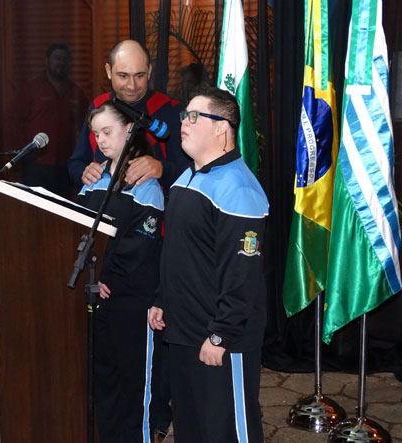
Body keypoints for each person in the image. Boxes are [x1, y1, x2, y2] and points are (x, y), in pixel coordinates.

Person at [148, 86, 269, 443]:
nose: (183, 123)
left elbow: (242, 275)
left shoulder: (239, 188)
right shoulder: (187, 177)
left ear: (222, 127)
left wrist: (221, 334)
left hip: (220, 340)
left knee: (227, 431)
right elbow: (178, 251)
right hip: (184, 333)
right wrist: (162, 299)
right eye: (184, 115)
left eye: (194, 116)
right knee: (193, 430)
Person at [77, 102, 164, 443]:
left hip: (129, 299)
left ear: (130, 130)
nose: (100, 140)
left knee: (132, 382)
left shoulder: (144, 184)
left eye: (107, 131)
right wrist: (90, 276)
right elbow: (73, 227)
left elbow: (140, 245)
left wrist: (105, 277)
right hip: (95, 294)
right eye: (95, 134)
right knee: (104, 377)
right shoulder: (94, 179)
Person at [68, 39, 189, 194]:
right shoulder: (98, 106)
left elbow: (191, 172)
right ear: (108, 71)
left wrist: (162, 168)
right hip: (101, 203)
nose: (132, 85)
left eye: (139, 76)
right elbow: (75, 163)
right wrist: (84, 173)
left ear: (149, 72)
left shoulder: (169, 109)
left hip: (151, 205)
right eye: (123, 76)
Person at [5, 43, 88, 198]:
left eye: (65, 59)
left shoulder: (77, 93)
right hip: (37, 165)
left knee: (63, 208)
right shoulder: (31, 89)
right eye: (57, 58)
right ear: (47, 61)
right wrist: (24, 153)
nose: (61, 62)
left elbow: (87, 127)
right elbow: (12, 122)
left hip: (65, 167)